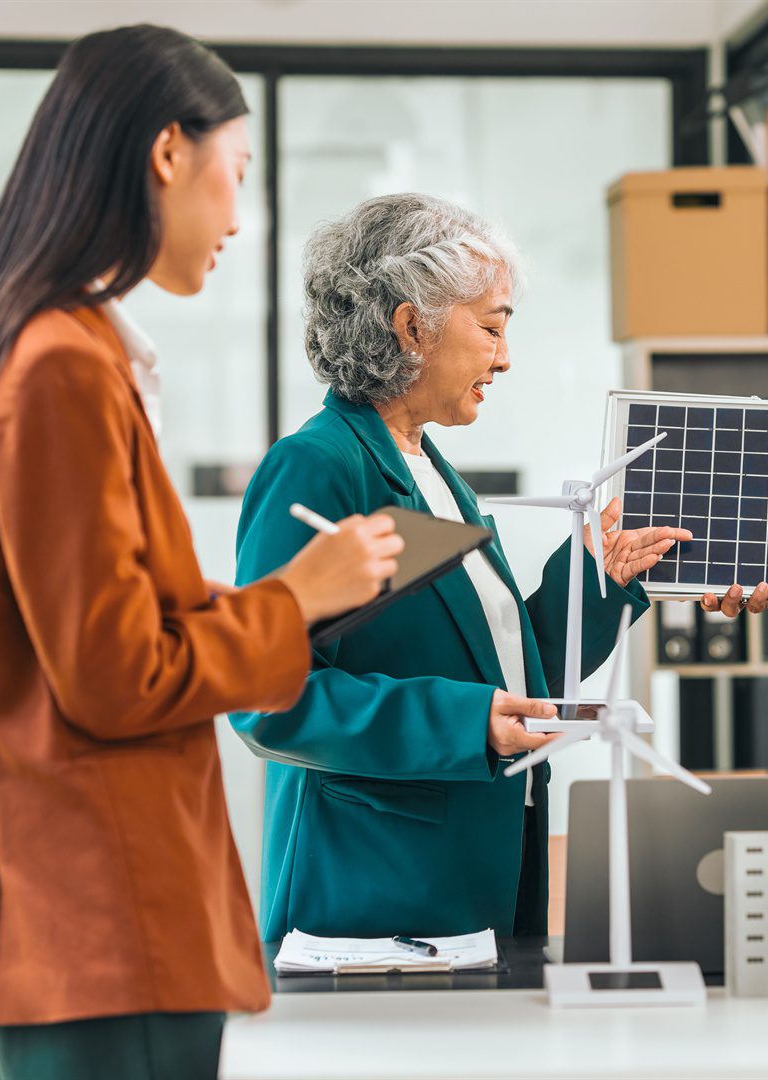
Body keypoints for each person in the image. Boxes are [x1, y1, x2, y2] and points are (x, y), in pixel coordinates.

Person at [0, 26, 402, 1079]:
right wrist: (291, 600)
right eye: (234, 175)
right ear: (168, 152)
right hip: (99, 928)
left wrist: (193, 605)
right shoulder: (62, 364)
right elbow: (115, 680)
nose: (238, 220)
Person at [231, 193, 688, 942]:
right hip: (373, 889)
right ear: (412, 328)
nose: (505, 357)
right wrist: (465, 721)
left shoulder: (437, 474)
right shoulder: (317, 466)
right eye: (492, 327)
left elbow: (512, 676)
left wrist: (597, 578)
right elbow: (266, 697)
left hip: (480, 873)